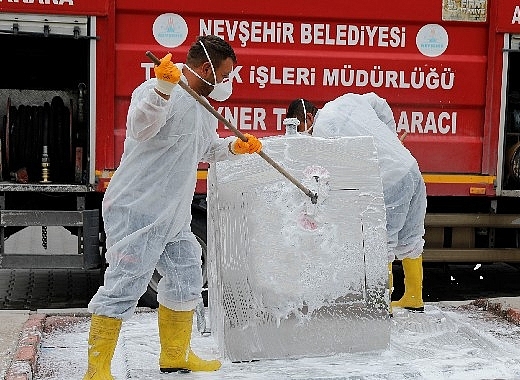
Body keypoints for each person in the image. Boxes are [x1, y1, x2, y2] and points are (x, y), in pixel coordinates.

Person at [83, 35, 262, 379]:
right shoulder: (157, 89)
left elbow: (204, 149)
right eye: (226, 76)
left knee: (186, 276)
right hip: (138, 207)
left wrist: (233, 150)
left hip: (174, 213)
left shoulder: (204, 107)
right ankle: (96, 369)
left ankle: (175, 355)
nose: (228, 84)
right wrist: (163, 90)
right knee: (125, 285)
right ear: (207, 68)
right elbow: (140, 128)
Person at [285, 93, 427, 312]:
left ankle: (382, 305)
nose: (306, 133)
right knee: (411, 237)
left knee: (382, 243)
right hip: (411, 168)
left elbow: (333, 176)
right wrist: (389, 135)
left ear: (309, 118)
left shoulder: (323, 133)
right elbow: (381, 103)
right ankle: (414, 296)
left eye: (302, 127)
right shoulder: (347, 100)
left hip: (388, 180)